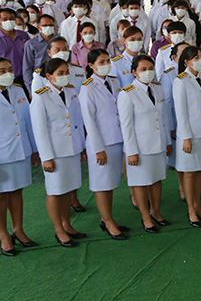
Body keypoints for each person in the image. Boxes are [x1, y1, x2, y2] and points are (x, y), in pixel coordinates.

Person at [30, 58, 86, 248]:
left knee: (68, 189)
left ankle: (67, 224)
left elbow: (77, 120)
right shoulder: (41, 96)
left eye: (66, 72)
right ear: (49, 76)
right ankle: (59, 230)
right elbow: (40, 130)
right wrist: (46, 157)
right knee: (55, 191)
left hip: (72, 148)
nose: (64, 76)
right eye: (60, 73)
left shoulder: (70, 91)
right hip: (55, 152)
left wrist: (82, 146)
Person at [118, 54, 173, 234]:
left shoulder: (157, 89)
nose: (147, 72)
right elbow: (126, 126)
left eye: (150, 68)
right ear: (134, 72)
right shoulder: (127, 93)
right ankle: (145, 217)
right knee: (140, 183)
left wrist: (167, 141)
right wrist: (131, 152)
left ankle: (156, 212)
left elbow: (163, 118)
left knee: (156, 180)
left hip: (157, 144)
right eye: (143, 69)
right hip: (139, 148)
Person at [77, 49, 128, 240]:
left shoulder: (114, 81)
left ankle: (107, 218)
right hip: (101, 143)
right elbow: (89, 121)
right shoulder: (87, 87)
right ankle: (108, 222)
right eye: (101, 61)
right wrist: (98, 149)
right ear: (91, 66)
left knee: (110, 183)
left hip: (116, 139)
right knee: (101, 184)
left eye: (107, 60)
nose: (106, 64)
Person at [0, 58, 37, 256]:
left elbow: (28, 122)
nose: (7, 73)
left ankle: (18, 230)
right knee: (0, 195)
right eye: (2, 71)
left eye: (10, 69)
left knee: (17, 191)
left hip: (20, 149)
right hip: (1, 154)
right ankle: (3, 234)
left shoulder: (18, 90)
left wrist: (34, 149)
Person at [172, 46, 201, 227]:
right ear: (186, 61)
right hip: (189, 134)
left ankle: (198, 206)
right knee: (189, 174)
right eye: (195, 57)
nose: (199, 59)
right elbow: (180, 112)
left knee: (198, 172)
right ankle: (191, 210)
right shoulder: (180, 81)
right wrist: (186, 137)